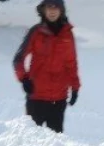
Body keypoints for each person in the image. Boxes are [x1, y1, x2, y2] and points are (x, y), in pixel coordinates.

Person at [12, 0, 81, 134]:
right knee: (31, 140)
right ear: (43, 10)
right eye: (49, 7)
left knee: (54, 144)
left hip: (58, 99)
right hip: (36, 97)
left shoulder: (67, 34)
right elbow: (18, 59)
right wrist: (24, 79)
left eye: (56, 7)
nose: (52, 11)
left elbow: (71, 64)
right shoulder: (36, 32)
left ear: (61, 10)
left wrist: (75, 88)